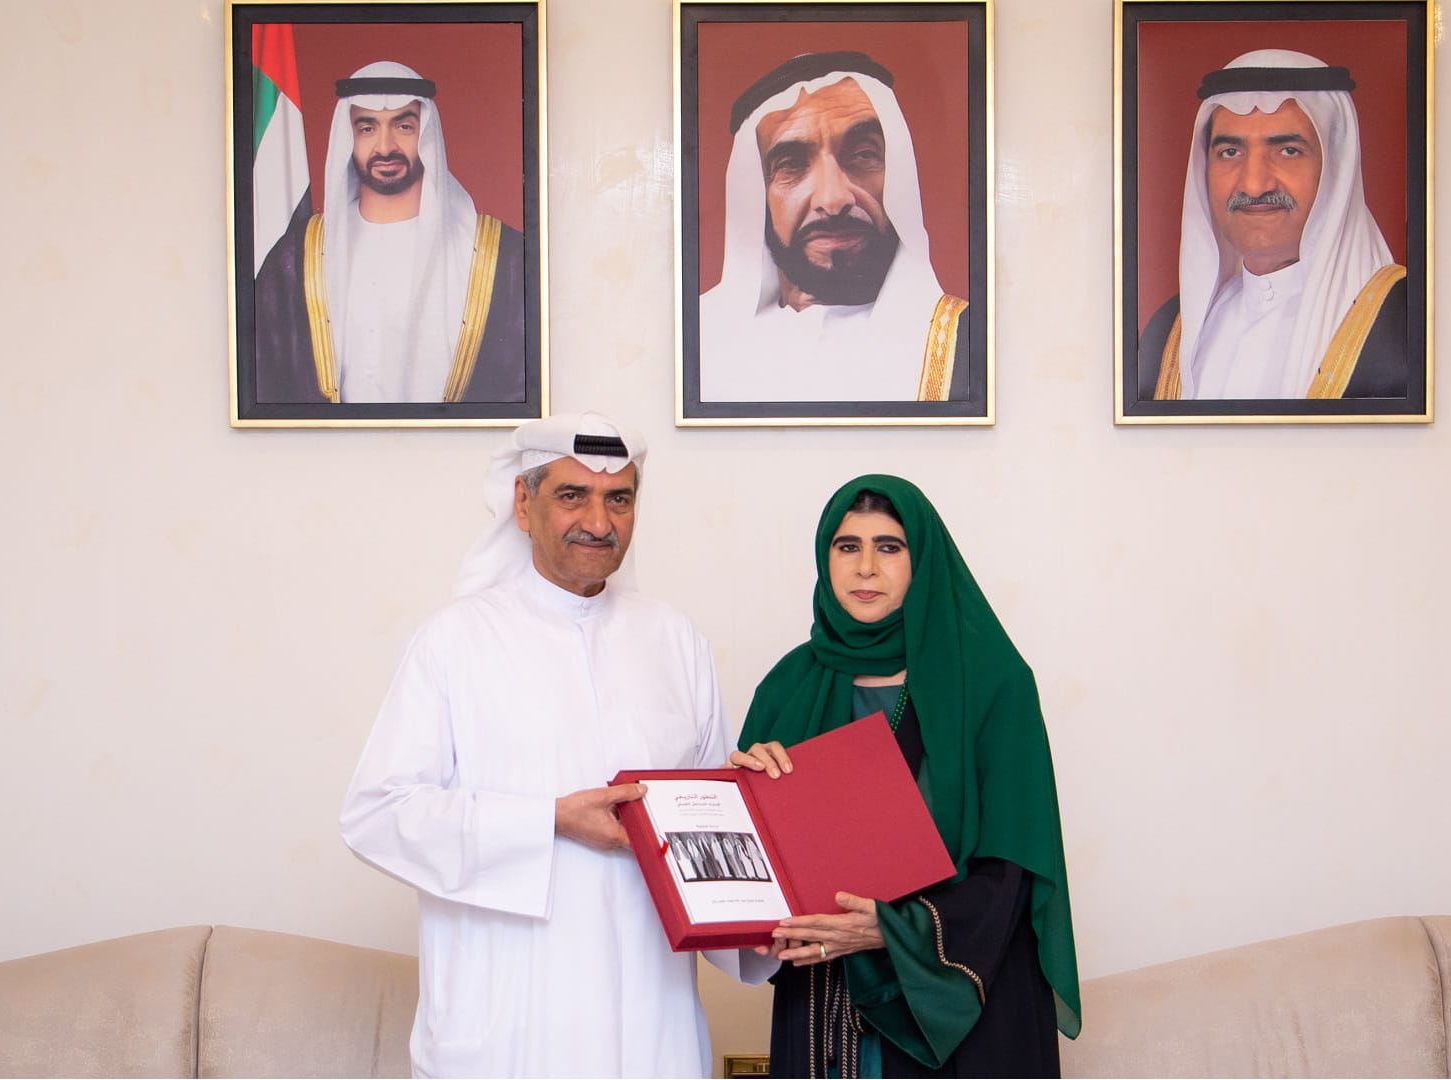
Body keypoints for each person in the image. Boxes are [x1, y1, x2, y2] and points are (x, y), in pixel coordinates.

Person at [339, 412, 728, 1077]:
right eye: (572, 495)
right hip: (510, 1021)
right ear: (523, 503)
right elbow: (378, 813)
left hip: (648, 1015)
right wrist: (547, 821)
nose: (599, 523)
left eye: (619, 499)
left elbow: (713, 818)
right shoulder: (454, 641)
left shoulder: (676, 641)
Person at [729, 475, 1081, 1077]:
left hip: (967, 1009)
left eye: (889, 547)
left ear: (922, 559)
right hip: (824, 1004)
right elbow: (756, 870)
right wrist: (747, 801)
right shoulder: (788, 688)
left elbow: (1014, 870)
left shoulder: (993, 684)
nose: (866, 568)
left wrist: (891, 931)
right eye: (847, 547)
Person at [699, 52, 973, 404]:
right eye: (792, 165)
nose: (833, 199)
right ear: (756, 197)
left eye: (862, 154)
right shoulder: (698, 343)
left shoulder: (965, 344)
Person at [1138, 49, 1409, 401]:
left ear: (1335, 168)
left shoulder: (1406, 323)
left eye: (1288, 151)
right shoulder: (1168, 332)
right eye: (1230, 152)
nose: (1254, 184)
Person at [255, 60, 526, 405]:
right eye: (367, 128)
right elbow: (267, 382)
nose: (384, 147)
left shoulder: (500, 256)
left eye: (404, 127)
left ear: (425, 133)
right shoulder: (297, 257)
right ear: (347, 136)